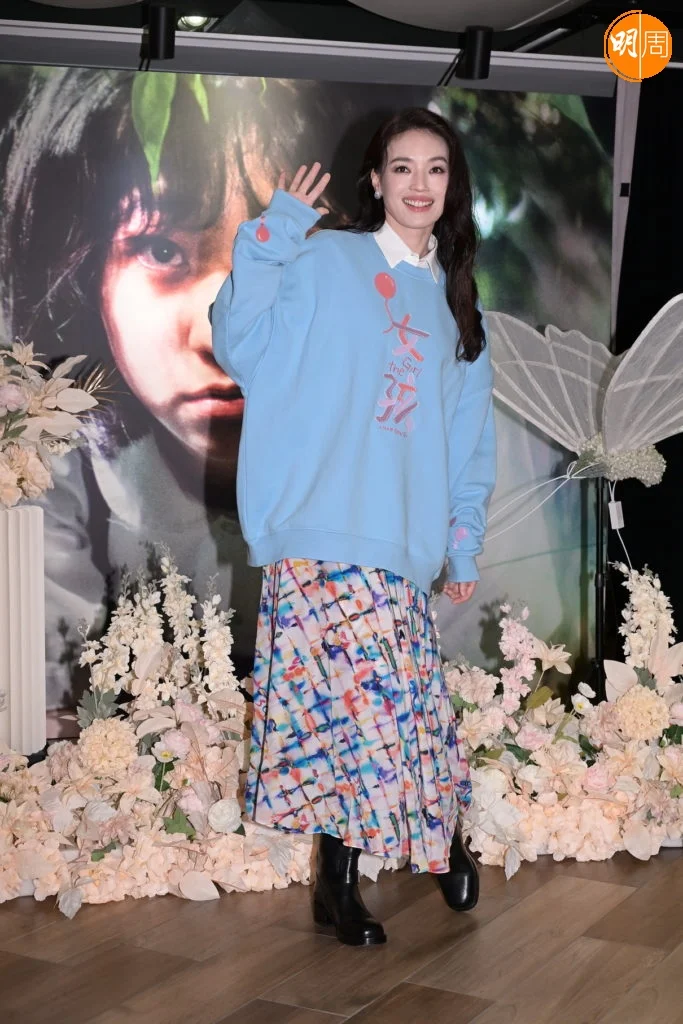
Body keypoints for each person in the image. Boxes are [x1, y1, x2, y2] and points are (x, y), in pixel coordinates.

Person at [0, 67, 428, 713]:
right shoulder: (35, 467)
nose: (220, 336)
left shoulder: (428, 452)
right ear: (86, 275)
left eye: (292, 256)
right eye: (161, 251)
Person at [211, 106, 496, 946]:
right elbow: (239, 342)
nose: (418, 184)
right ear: (375, 180)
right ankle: (341, 883)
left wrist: (462, 541)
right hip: (316, 529)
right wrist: (274, 233)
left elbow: (467, 439)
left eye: (435, 169)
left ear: (452, 185)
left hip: (398, 538)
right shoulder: (324, 258)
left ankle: (433, 839)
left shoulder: (457, 303)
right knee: (337, 718)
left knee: (396, 708)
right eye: (401, 167)